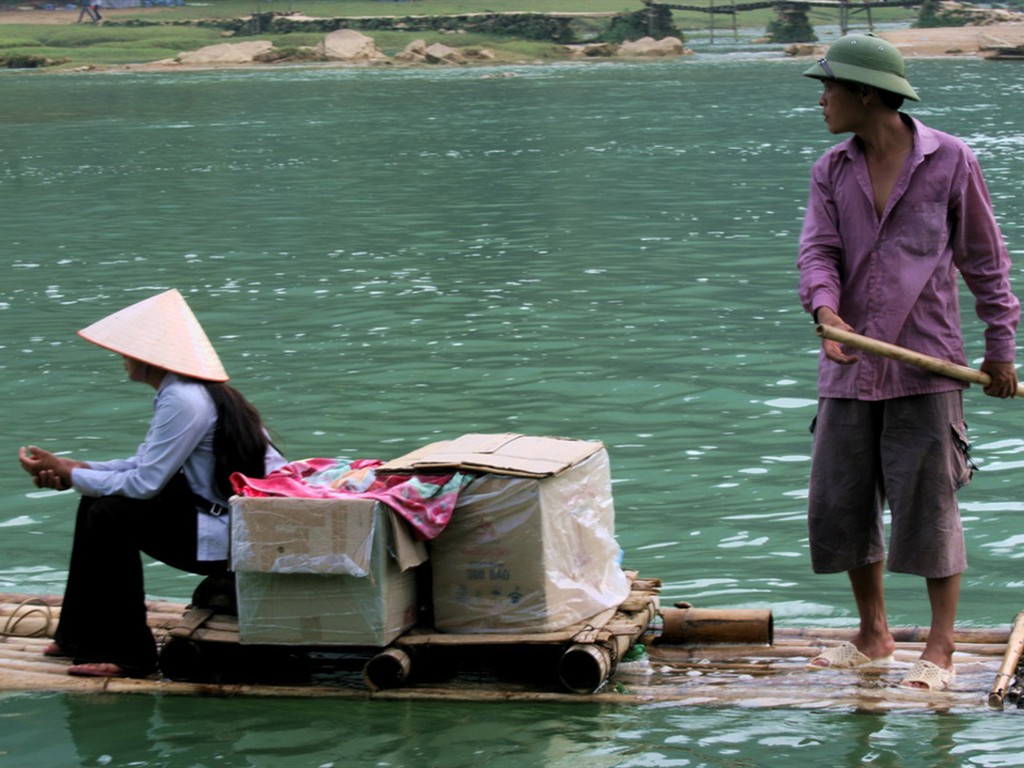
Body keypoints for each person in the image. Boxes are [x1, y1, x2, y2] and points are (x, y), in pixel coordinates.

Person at [797, 34, 1019, 691]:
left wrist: (1000, 348)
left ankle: (942, 650)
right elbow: (818, 253)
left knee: (928, 504)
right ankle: (873, 637)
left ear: (867, 94)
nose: (823, 100)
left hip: (926, 363)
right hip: (848, 362)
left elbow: (986, 260)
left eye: (830, 88)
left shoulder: (950, 161)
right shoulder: (830, 170)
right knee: (841, 503)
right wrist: (826, 312)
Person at [18, 289, 285, 678]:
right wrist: (74, 467)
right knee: (95, 502)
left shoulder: (183, 399)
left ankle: (129, 654)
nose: (122, 357)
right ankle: (78, 635)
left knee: (109, 513)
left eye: (128, 350)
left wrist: (70, 474)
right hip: (216, 518)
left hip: (231, 538)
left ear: (150, 356)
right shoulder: (183, 392)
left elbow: (145, 483)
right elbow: (142, 464)